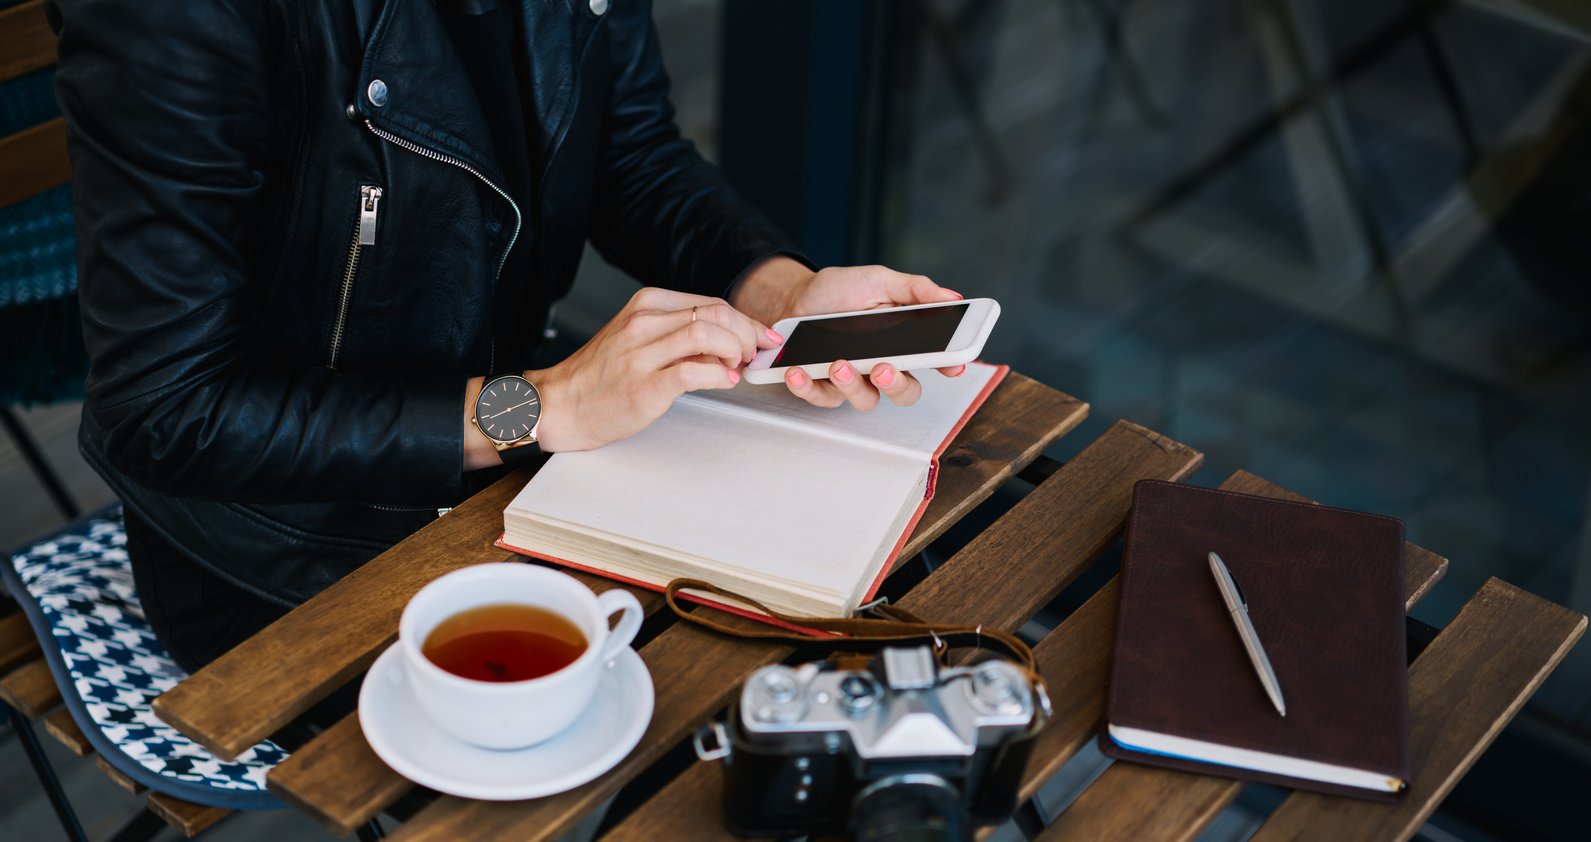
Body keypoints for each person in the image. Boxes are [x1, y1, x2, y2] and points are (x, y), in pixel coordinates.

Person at [48, 0, 965, 672]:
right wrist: (541, 404)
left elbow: (632, 154)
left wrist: (785, 291)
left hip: (520, 447)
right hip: (286, 532)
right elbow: (166, 411)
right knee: (712, 685)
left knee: (823, 629)